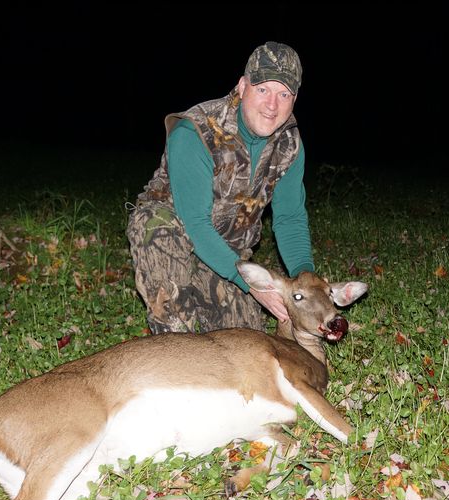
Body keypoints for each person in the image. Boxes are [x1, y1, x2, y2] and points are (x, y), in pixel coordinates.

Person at [127, 41, 314, 334]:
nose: (272, 105)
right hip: (174, 232)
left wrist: (307, 279)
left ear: (294, 99)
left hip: (226, 248)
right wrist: (249, 284)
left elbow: (290, 218)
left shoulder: (289, 144)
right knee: (178, 332)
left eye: (283, 94)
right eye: (263, 89)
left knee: (248, 343)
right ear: (242, 86)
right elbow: (196, 224)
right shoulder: (197, 130)